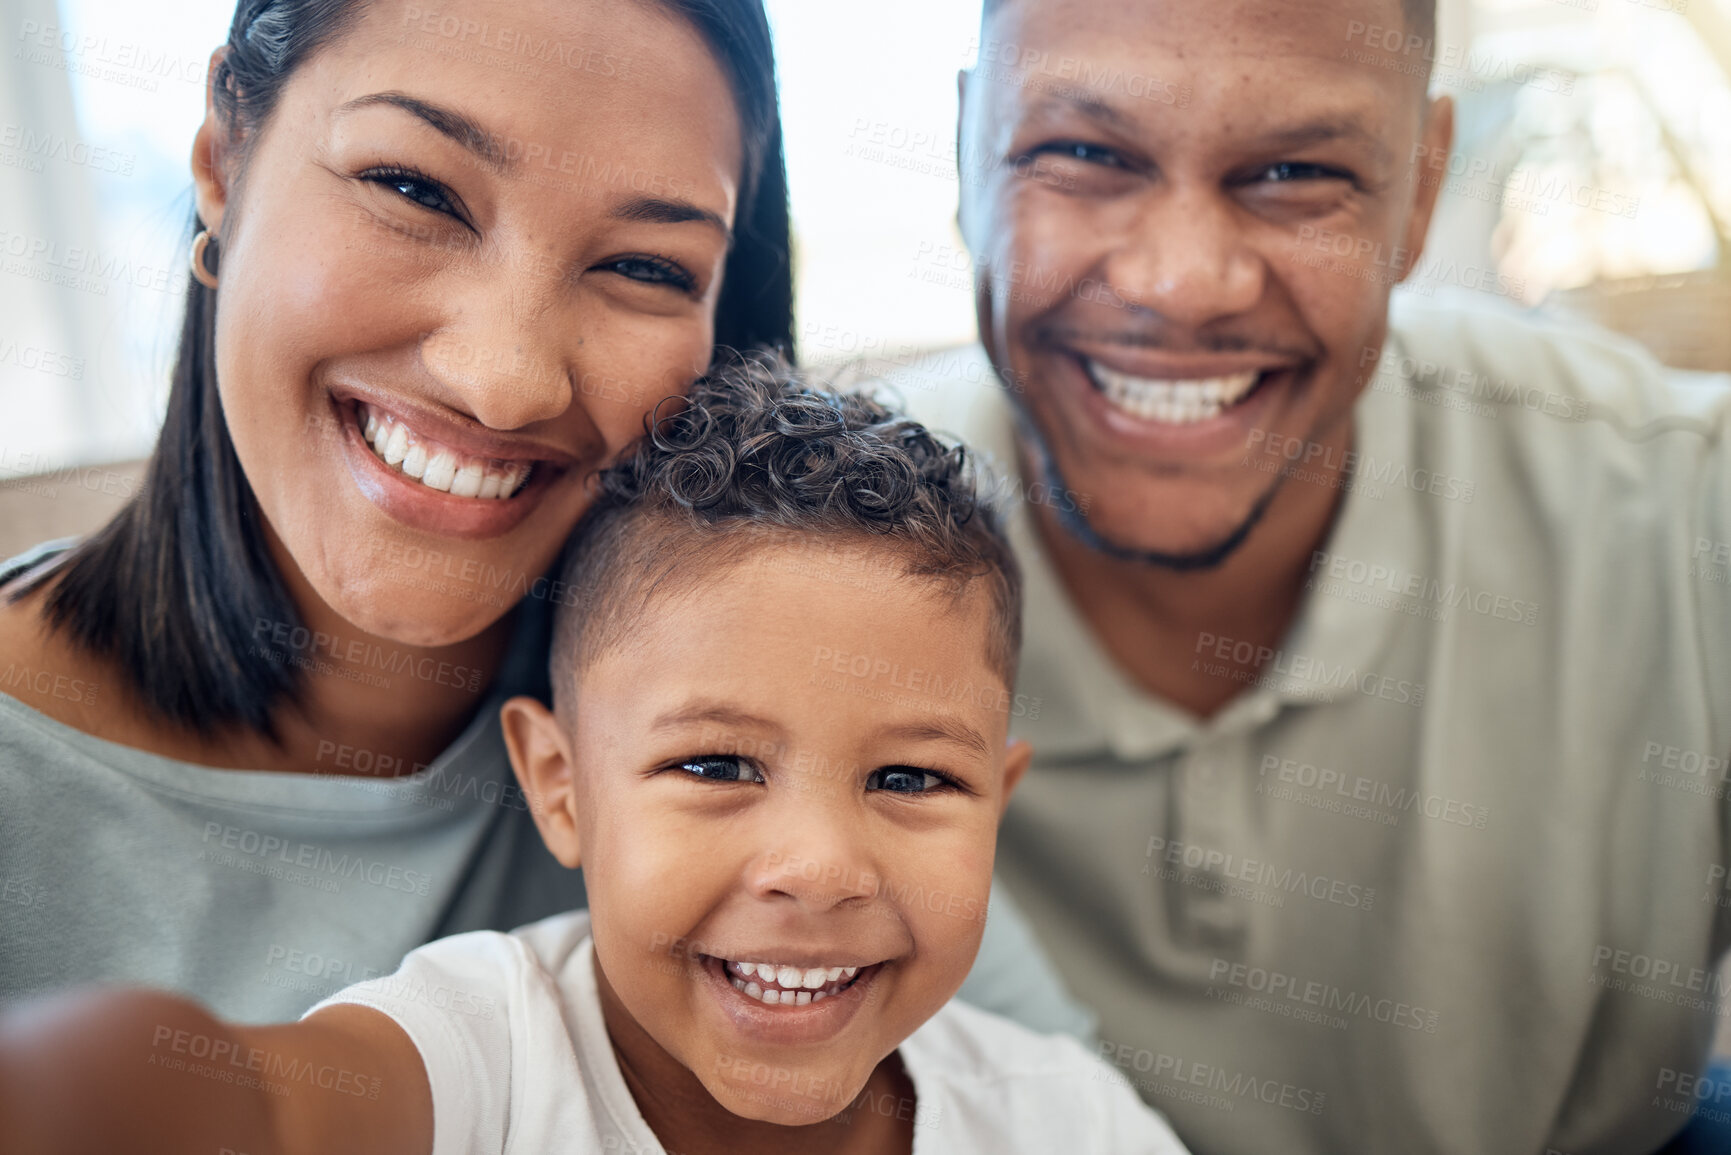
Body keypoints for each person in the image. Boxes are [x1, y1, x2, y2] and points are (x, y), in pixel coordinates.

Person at [0, 0, 1086, 1042]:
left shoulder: (787, 723)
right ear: (222, 160)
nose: (506, 381)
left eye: (646, 266)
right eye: (413, 188)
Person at [857, 0, 1731, 1151]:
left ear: (1420, 191)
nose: (1181, 283)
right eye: (1081, 154)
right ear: (969, 154)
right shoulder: (786, 556)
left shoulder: (1680, 511)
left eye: (1293, 173)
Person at [0, 359, 1190, 1155]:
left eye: (914, 779)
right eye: (716, 767)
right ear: (560, 789)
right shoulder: (487, 1051)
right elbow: (255, 1107)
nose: (821, 867)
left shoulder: (1060, 1117)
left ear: (1000, 803)